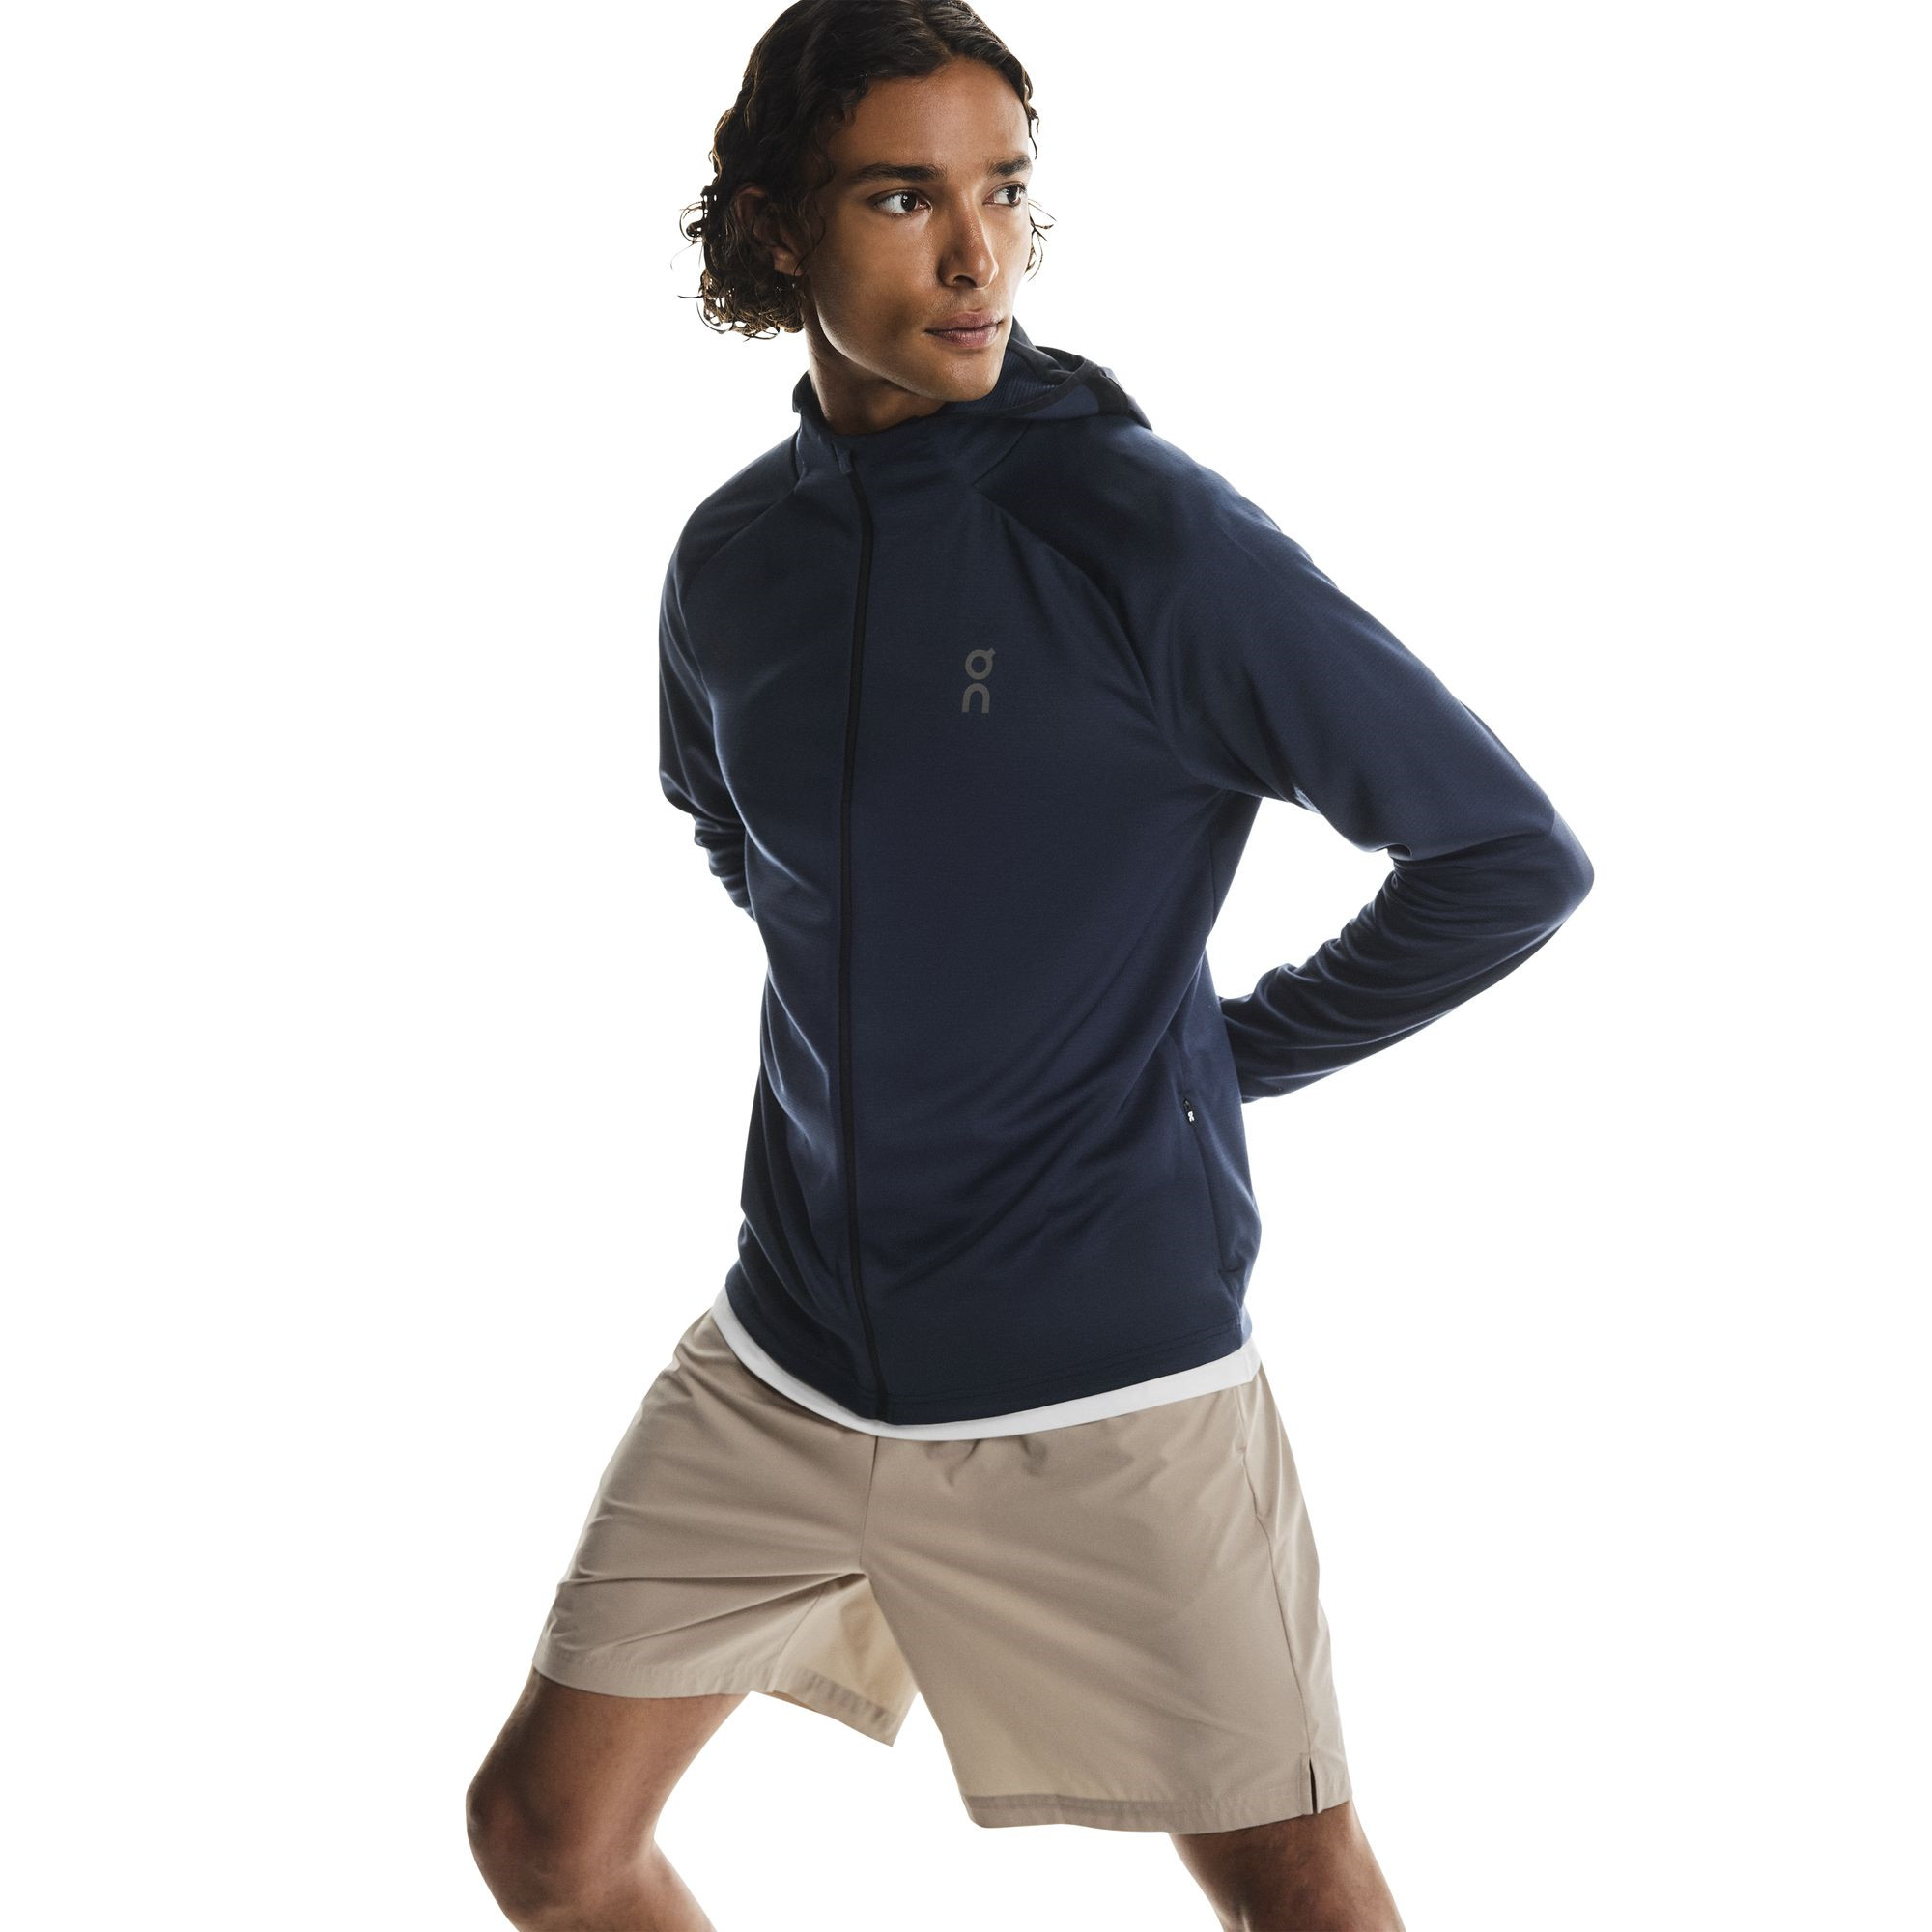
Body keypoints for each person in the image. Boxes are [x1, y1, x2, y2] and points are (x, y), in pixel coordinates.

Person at [466, 5, 1593, 1927]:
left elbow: (1501, 854)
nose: (977, 255)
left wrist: (1216, 1052)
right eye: (905, 199)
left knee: (1295, 1885)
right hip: (792, 1353)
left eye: (1003, 191)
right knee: (549, 1839)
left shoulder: (1145, 536)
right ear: (777, 229)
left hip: (1107, 1387)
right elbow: (733, 823)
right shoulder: (733, 558)